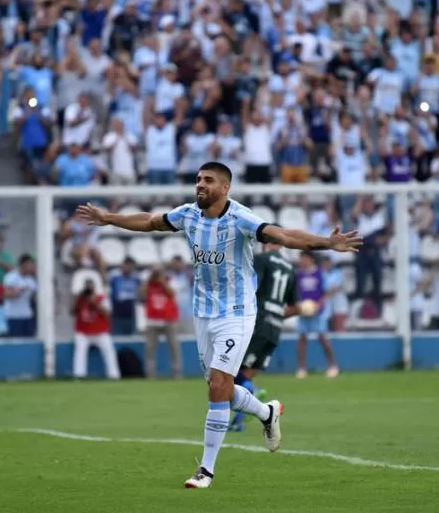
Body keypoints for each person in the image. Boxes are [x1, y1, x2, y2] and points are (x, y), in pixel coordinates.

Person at [76, 161, 362, 489]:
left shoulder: (240, 218)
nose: (200, 184)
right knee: (220, 389)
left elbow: (282, 234)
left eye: (208, 180)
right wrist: (109, 218)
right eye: (198, 179)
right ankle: (267, 413)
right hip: (203, 313)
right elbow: (151, 221)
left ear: (225, 188)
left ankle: (206, 471)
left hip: (237, 312)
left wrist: (327, 243)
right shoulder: (188, 214)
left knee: (218, 386)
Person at [231, 241, 299, 433]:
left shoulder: (262, 259)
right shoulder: (290, 269)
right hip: (275, 328)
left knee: (233, 372)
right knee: (247, 372)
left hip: (258, 322)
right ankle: (238, 421)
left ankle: (254, 392)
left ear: (267, 243)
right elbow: (295, 307)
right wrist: (276, 313)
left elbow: (251, 289)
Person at [295, 251, 340, 379]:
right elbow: (295, 292)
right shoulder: (298, 274)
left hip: (318, 312)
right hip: (303, 311)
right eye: (301, 259)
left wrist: (319, 304)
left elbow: (326, 292)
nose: (301, 261)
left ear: (310, 259)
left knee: (323, 338)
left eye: (304, 258)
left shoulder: (320, 273)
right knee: (302, 339)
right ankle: (301, 368)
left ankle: (333, 366)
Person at [72, 281, 121, 380]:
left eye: (91, 287)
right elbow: (72, 312)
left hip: (100, 332)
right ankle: (79, 374)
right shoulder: (80, 298)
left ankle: (114, 375)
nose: (89, 289)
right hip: (83, 332)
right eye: (87, 287)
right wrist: (78, 299)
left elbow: (107, 313)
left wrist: (95, 303)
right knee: (80, 350)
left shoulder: (102, 297)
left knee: (109, 351)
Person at [142, 267, 182, 379]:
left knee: (174, 346)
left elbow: (172, 293)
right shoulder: (149, 284)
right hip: (152, 320)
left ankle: (176, 372)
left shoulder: (171, 280)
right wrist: (149, 280)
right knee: (149, 348)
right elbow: (141, 295)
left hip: (169, 319)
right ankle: (150, 373)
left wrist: (162, 282)